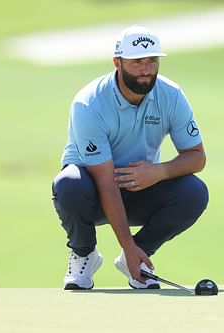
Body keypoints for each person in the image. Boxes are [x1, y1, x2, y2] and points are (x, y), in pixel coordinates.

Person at [51, 25, 209, 290]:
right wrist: (126, 240)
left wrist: (158, 172)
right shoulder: (89, 103)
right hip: (92, 192)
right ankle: (84, 253)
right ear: (117, 62)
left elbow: (197, 157)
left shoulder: (171, 96)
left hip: (140, 187)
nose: (146, 69)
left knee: (194, 192)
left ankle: (136, 257)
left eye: (152, 61)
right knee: (68, 183)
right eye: (137, 62)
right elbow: (105, 181)